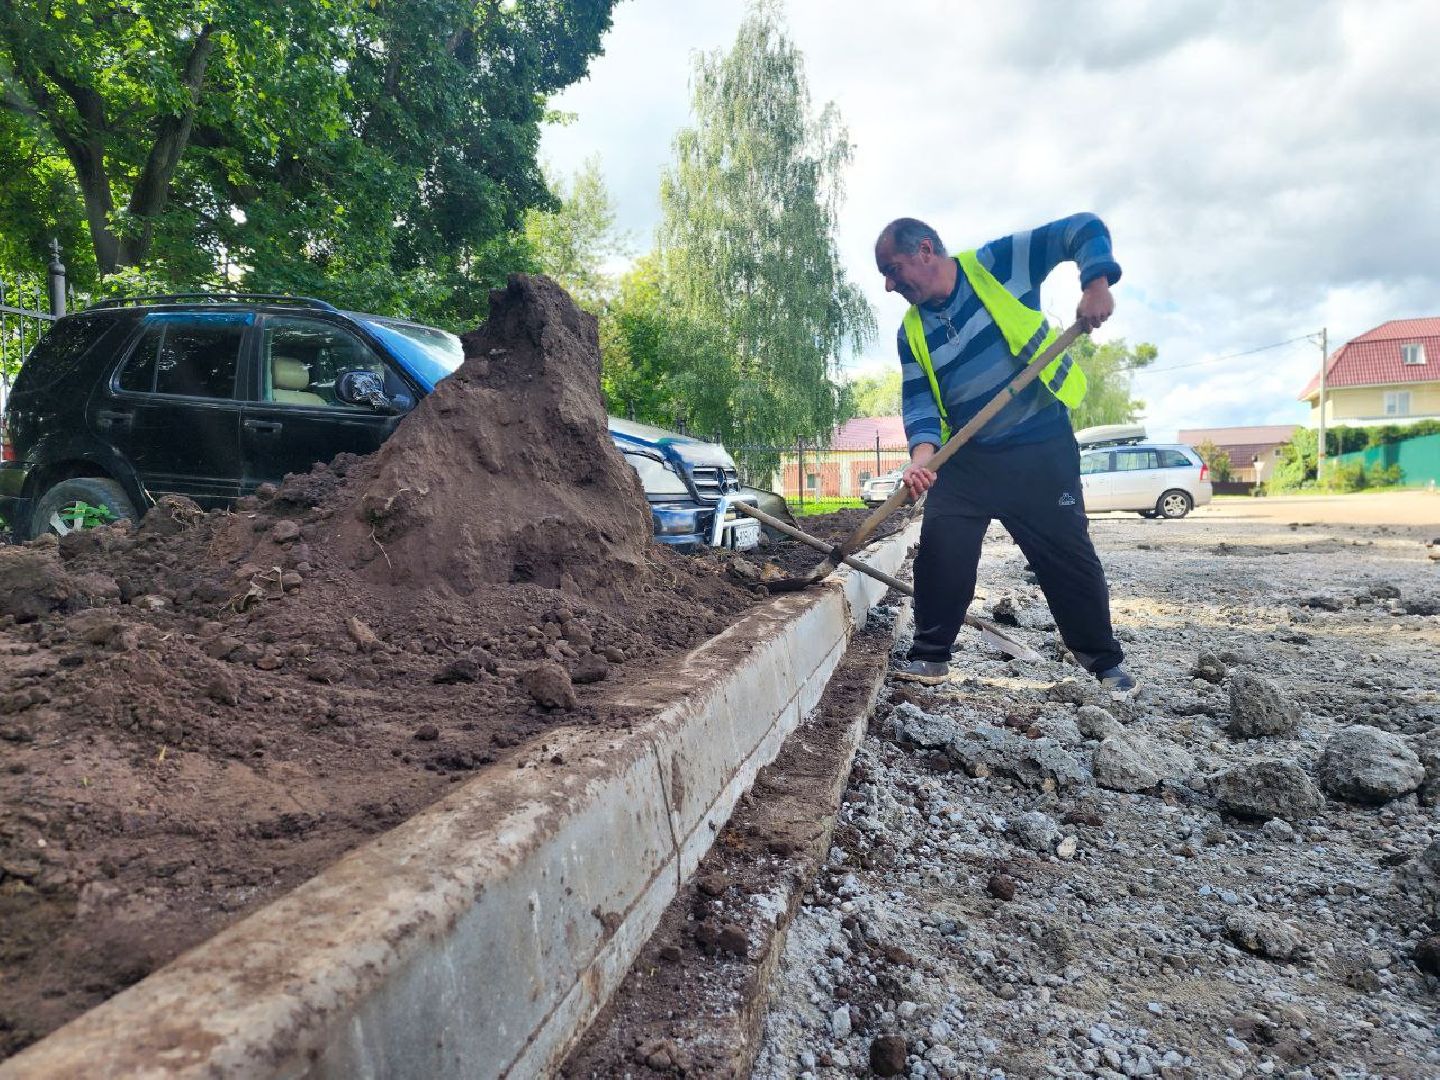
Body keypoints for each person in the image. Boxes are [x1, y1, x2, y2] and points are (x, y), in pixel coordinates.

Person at [874, 214, 1135, 690]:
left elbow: (1081, 228)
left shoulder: (996, 264)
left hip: (1039, 444)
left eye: (893, 269)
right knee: (941, 547)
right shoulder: (910, 331)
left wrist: (1096, 284)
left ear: (926, 250)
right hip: (969, 457)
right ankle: (931, 655)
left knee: (1065, 554)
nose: (890, 285)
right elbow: (920, 403)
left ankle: (1102, 661)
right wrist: (921, 459)